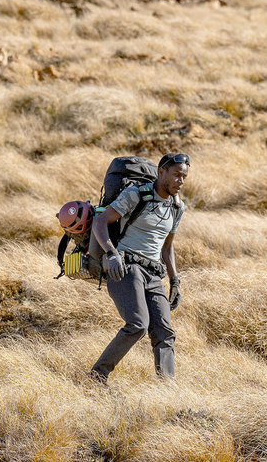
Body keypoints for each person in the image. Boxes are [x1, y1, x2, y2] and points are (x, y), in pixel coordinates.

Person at [90, 153, 189, 384]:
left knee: (165, 333)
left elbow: (167, 248)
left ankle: (167, 389)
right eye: (176, 175)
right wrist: (111, 254)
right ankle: (97, 376)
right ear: (161, 172)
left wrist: (175, 281)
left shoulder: (177, 207)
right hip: (126, 267)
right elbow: (100, 222)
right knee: (137, 324)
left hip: (154, 273)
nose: (180, 181)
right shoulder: (137, 195)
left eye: (184, 177)